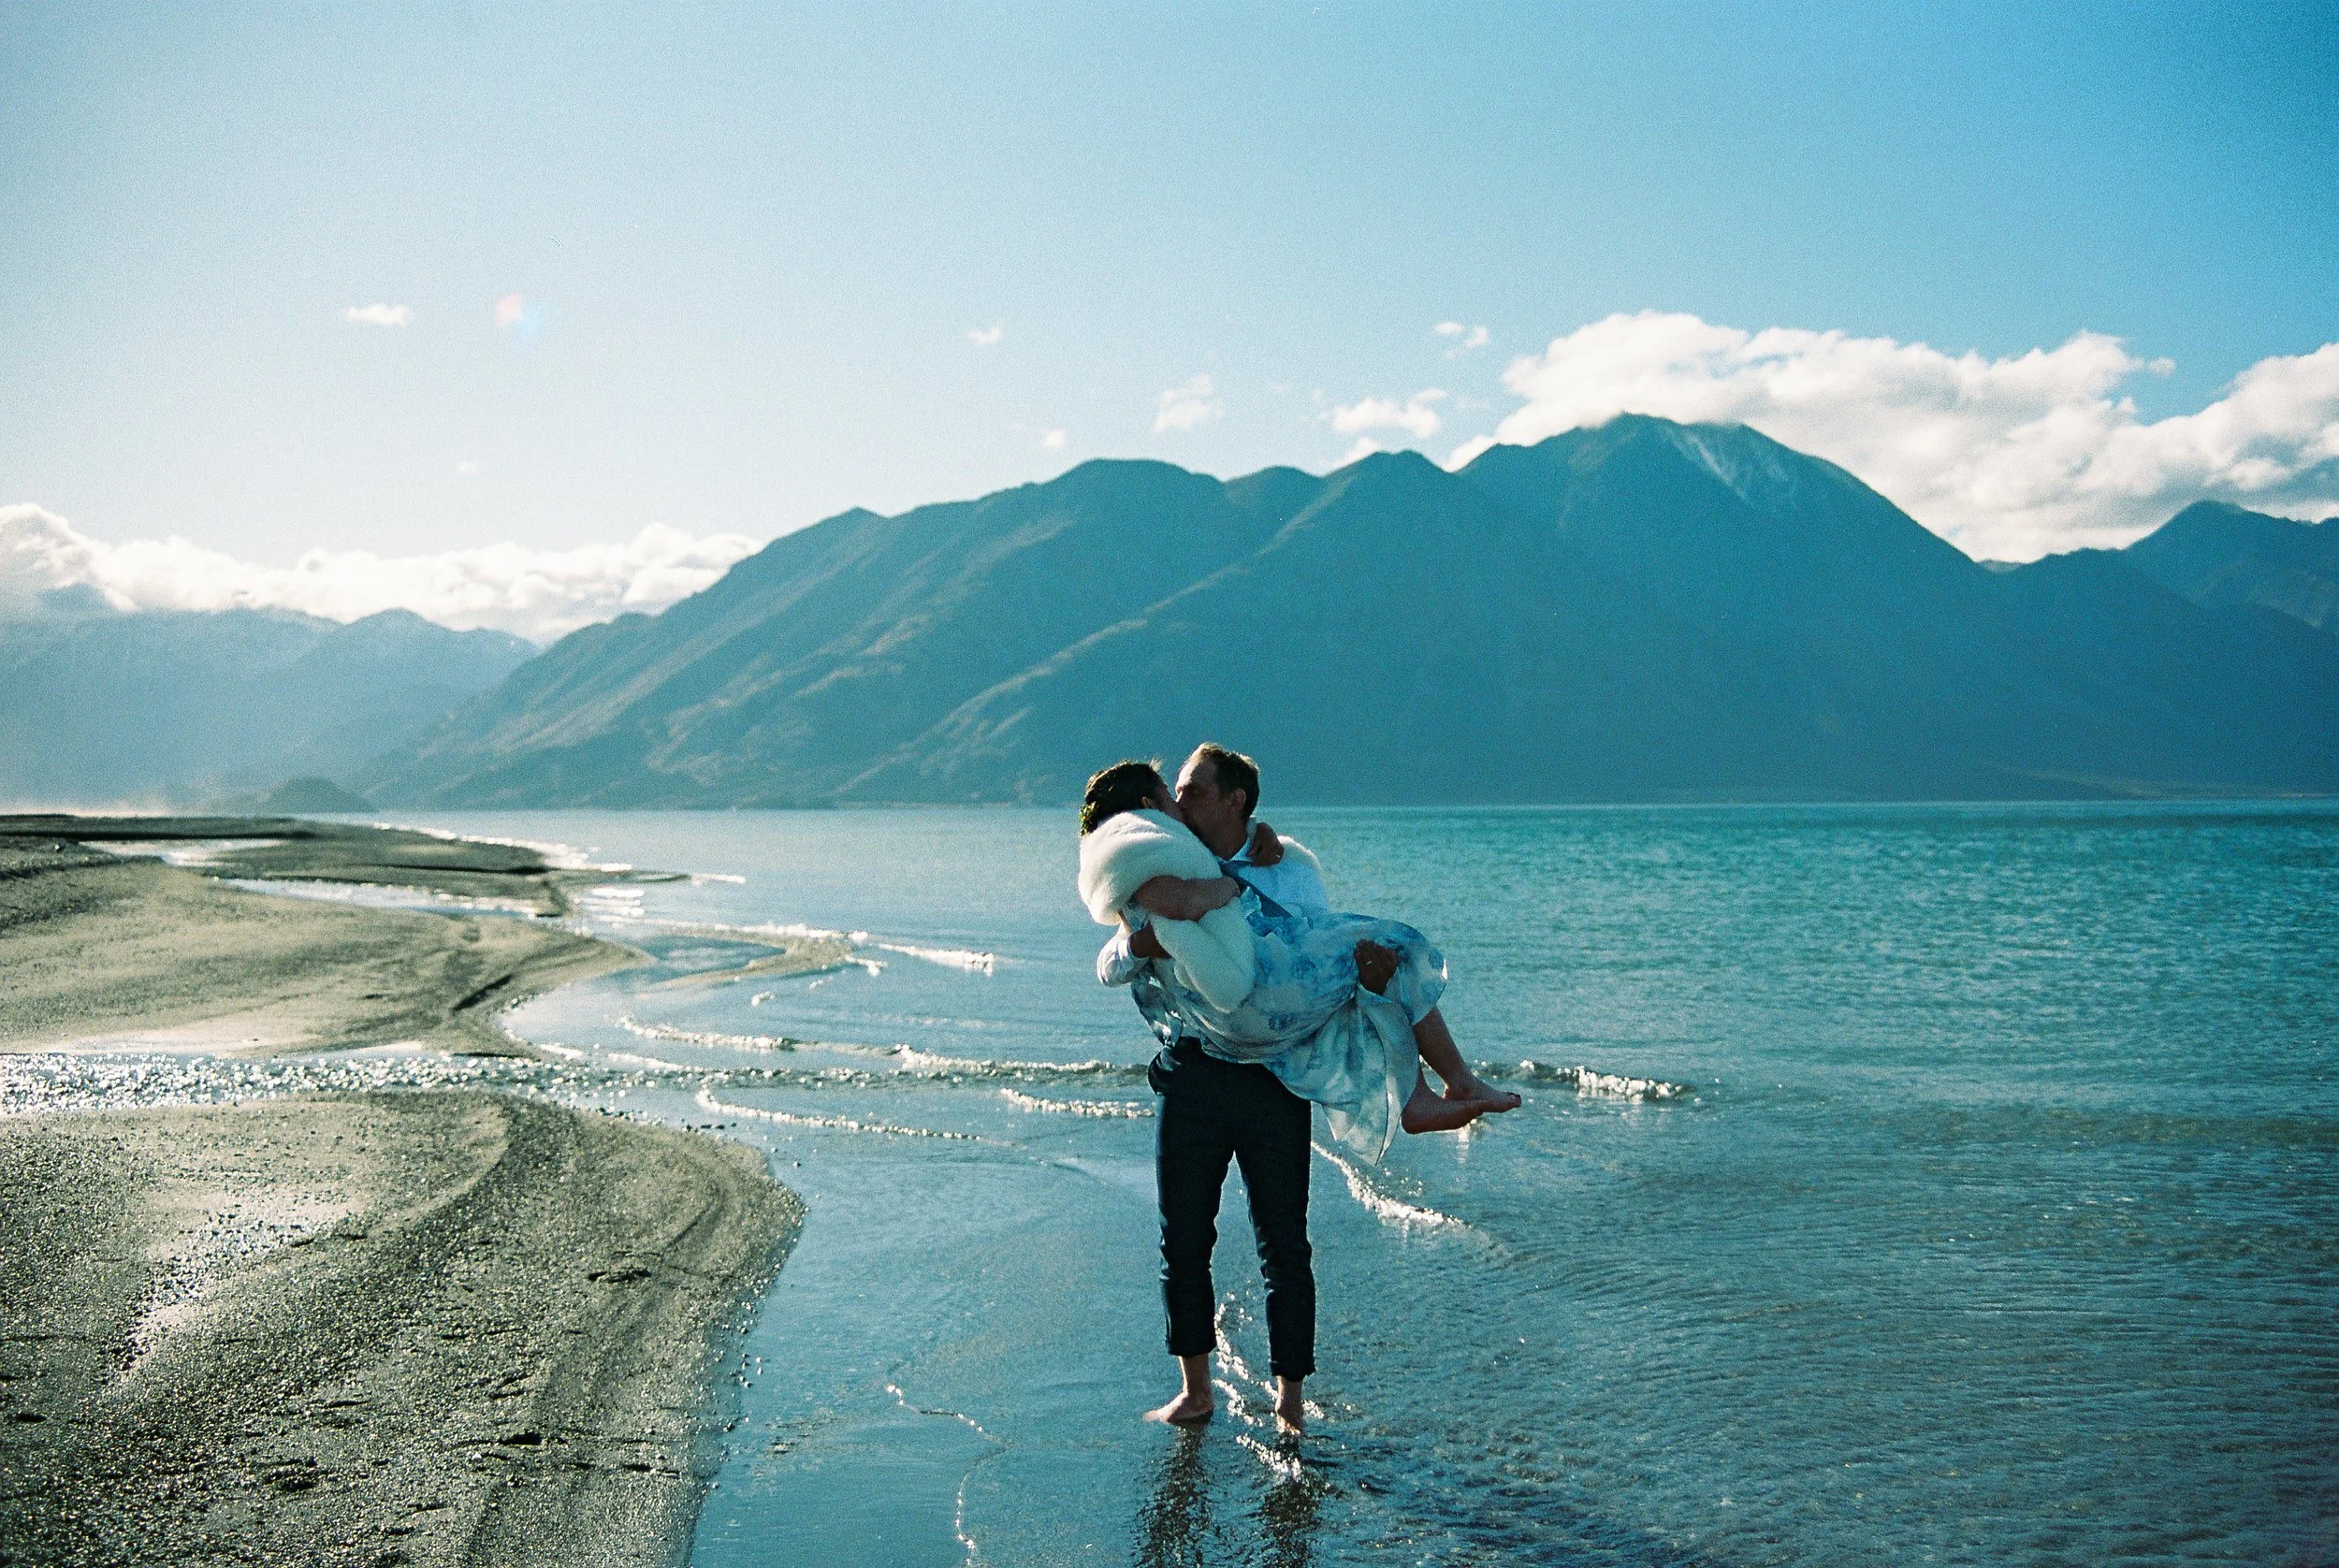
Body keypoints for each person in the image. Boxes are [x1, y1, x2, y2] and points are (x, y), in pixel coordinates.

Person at [1085, 747, 1518, 1431]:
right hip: (1193, 1072)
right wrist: (1141, 945)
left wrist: (1363, 976)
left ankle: (1289, 1398)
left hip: (1272, 1078)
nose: (1178, 804)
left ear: (1237, 802)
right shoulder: (1158, 865)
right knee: (1184, 1238)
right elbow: (1110, 957)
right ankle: (1196, 1392)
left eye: (1194, 793)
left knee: (1284, 1242)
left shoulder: (1290, 868)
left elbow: (1306, 955)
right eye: (1176, 794)